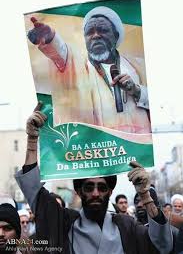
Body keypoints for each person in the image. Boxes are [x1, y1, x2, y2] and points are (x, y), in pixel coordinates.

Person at [14, 103, 174, 254]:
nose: (96, 193)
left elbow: (163, 246)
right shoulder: (64, 223)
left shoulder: (126, 225)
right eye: (89, 187)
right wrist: (32, 141)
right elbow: (33, 190)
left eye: (102, 188)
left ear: (110, 191)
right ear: (78, 191)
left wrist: (145, 196)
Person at [27, 6, 150, 134]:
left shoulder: (136, 65)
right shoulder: (79, 68)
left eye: (102, 30)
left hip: (139, 147)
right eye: (90, 32)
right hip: (101, 148)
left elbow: (158, 102)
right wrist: (50, 37)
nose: (95, 36)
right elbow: (62, 53)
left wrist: (137, 91)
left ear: (115, 35)